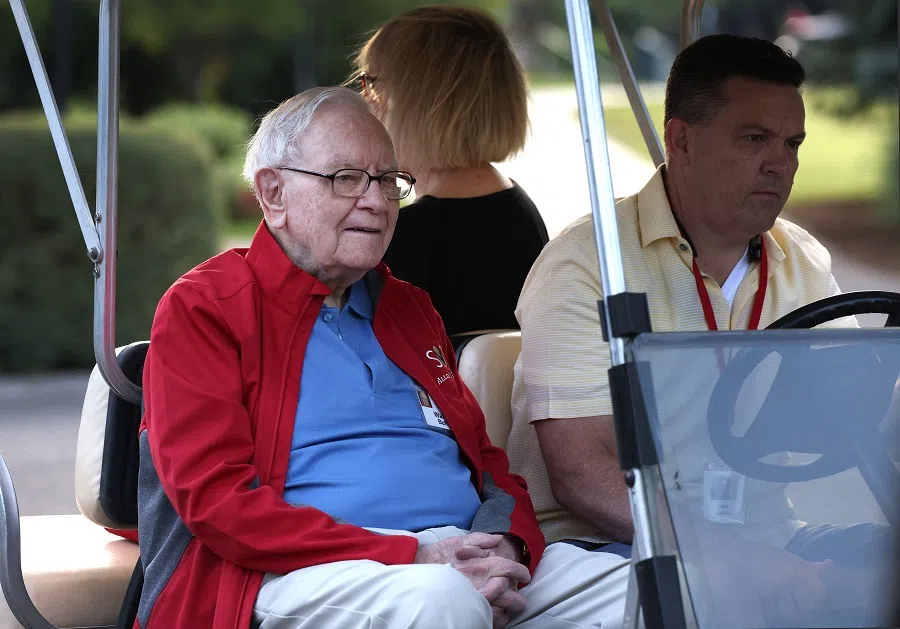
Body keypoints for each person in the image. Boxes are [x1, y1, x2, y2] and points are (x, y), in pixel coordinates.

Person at [135, 86, 629, 629]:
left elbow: (490, 467)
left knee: (659, 586)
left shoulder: (408, 307)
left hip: (460, 554)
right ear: (272, 193)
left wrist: (509, 548)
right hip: (297, 569)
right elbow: (217, 503)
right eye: (345, 179)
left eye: (389, 181)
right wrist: (412, 557)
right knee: (442, 602)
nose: (375, 200)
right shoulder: (206, 307)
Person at [507, 34, 893, 628]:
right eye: (754, 139)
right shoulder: (587, 263)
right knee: (713, 598)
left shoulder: (802, 261)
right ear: (681, 139)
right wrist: (730, 558)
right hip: (603, 550)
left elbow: (861, 409)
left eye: (792, 143)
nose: (781, 162)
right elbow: (581, 477)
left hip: (771, 539)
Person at [349, 5, 549, 336]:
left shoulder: (405, 239)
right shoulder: (521, 214)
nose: (366, 99)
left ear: (421, 103)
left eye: (372, 83)